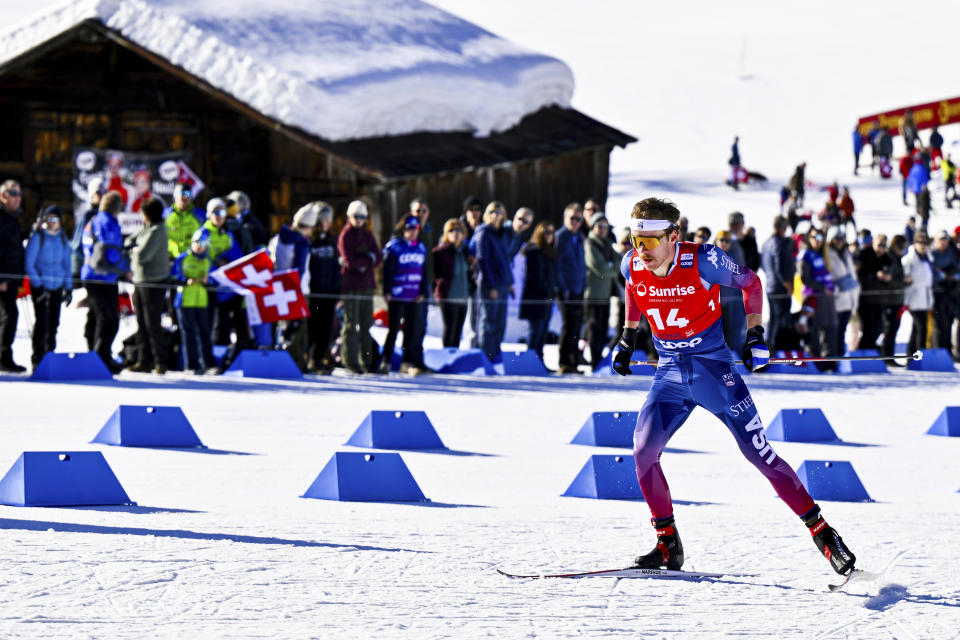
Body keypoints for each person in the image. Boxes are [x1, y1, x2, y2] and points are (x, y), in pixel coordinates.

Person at [610, 197, 855, 577]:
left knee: (759, 455)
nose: (642, 252)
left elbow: (751, 282)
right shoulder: (632, 263)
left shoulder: (703, 259)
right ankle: (667, 544)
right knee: (643, 452)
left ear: (674, 236)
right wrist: (628, 337)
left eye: (651, 242)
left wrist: (756, 334)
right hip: (671, 375)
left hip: (715, 373)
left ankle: (824, 535)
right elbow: (632, 287)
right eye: (636, 241)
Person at [24, 206, 71, 368]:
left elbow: (67, 264)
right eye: (48, 219)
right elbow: (29, 263)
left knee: (54, 322)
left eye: (54, 219)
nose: (51, 223)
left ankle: (50, 355)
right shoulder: (38, 237)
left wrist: (68, 286)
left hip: (57, 286)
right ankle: (38, 357)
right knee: (42, 322)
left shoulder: (63, 239)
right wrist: (38, 285)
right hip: (41, 286)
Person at [125, 198, 169, 373]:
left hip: (154, 282)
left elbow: (141, 255)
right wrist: (133, 248)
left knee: (152, 323)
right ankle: (144, 360)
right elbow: (129, 241)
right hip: (140, 280)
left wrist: (135, 251)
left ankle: (160, 361)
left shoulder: (157, 231)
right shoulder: (147, 228)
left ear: (148, 215)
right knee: (141, 322)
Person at [380, 216, 428, 375]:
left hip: (413, 296)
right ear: (403, 230)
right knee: (393, 329)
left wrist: (423, 292)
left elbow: (425, 272)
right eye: (408, 229)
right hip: (397, 295)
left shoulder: (421, 248)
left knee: (411, 330)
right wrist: (386, 291)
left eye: (414, 229)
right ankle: (386, 360)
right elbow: (387, 272)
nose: (411, 232)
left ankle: (407, 362)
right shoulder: (394, 247)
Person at [338, 200, 381, 374]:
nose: (359, 220)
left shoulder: (368, 235)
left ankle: (367, 361)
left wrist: (366, 260)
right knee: (350, 325)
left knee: (366, 325)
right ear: (349, 216)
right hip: (351, 286)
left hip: (367, 286)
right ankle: (349, 361)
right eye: (356, 217)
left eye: (362, 217)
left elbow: (378, 257)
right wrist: (367, 259)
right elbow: (349, 262)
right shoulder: (345, 236)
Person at [474, 201, 514, 364]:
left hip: (503, 283)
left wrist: (509, 282)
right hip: (490, 284)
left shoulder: (503, 233)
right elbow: (483, 261)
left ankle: (496, 355)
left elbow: (505, 259)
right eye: (492, 212)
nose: (496, 216)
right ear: (487, 215)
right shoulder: (483, 232)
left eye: (499, 212)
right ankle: (486, 357)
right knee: (488, 322)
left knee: (500, 322)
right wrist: (491, 285)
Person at [172, 229, 213, 374]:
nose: (199, 246)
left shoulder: (208, 260)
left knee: (205, 333)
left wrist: (208, 281)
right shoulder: (183, 258)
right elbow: (173, 276)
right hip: (184, 301)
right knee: (188, 334)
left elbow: (215, 277)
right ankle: (191, 365)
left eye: (202, 243)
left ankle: (208, 364)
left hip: (201, 301)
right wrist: (185, 281)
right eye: (196, 242)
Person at [306, 202, 340, 373]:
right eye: (323, 219)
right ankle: (310, 357)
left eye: (329, 220)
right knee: (314, 326)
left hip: (330, 292)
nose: (327, 223)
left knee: (326, 328)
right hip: (314, 292)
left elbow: (336, 267)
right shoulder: (311, 241)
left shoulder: (333, 241)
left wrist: (337, 290)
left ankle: (319, 358)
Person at [798, 227, 839, 365]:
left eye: (820, 238)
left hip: (826, 299)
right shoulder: (806, 255)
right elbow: (804, 278)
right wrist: (822, 287)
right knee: (813, 331)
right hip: (813, 298)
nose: (817, 241)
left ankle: (829, 361)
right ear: (809, 238)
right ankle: (815, 361)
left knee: (829, 329)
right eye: (814, 237)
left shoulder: (822, 254)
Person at [584, 212, 619, 368]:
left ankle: (598, 360)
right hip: (592, 294)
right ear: (593, 226)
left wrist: (611, 267)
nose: (604, 229)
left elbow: (619, 263)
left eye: (606, 226)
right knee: (594, 328)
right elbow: (600, 268)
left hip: (605, 294)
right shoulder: (590, 243)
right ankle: (593, 361)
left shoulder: (607, 244)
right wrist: (610, 267)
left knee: (603, 329)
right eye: (600, 226)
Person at [520, 222, 558, 362]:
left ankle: (539, 362)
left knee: (542, 333)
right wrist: (547, 292)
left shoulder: (550, 253)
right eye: (546, 232)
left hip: (547, 299)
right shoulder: (533, 251)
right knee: (535, 333)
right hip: (535, 299)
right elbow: (536, 278)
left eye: (552, 232)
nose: (550, 235)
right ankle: (530, 362)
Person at [555, 203, 586, 373]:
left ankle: (573, 362)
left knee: (576, 325)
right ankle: (563, 361)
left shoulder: (579, 237)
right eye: (572, 218)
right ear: (565, 218)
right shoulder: (560, 237)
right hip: (565, 289)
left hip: (578, 288)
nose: (575, 222)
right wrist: (563, 287)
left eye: (578, 219)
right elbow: (558, 265)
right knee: (568, 324)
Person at [0, 180, 26, 372]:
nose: (17, 198)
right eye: (13, 193)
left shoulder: (12, 218)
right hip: (3, 280)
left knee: (9, 316)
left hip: (12, 279)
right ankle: (3, 358)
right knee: (8, 316)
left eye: (19, 194)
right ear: (3, 195)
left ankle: (4, 357)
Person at [433, 218, 471, 348]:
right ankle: (446, 359)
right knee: (450, 331)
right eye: (451, 230)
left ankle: (455, 360)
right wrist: (437, 291)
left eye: (459, 230)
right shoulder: (440, 252)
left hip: (463, 298)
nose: (455, 233)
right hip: (448, 298)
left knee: (457, 334)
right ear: (446, 234)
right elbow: (433, 275)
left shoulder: (465, 253)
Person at [760, 217, 795, 348]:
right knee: (781, 321)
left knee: (774, 319)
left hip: (770, 286)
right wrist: (788, 285)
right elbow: (779, 268)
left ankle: (772, 347)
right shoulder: (779, 243)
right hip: (780, 288)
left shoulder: (766, 243)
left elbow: (764, 265)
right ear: (783, 228)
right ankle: (778, 349)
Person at [825, 227, 860, 354]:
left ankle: (840, 357)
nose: (839, 241)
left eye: (841, 238)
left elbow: (852, 276)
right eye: (836, 238)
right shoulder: (827, 255)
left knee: (842, 331)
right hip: (835, 300)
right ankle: (832, 357)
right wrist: (837, 288)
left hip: (848, 300)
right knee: (834, 332)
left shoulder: (846, 254)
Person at [714, 230, 747, 354]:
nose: (724, 243)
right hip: (715, 302)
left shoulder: (736, 255)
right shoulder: (709, 256)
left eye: (727, 241)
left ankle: (733, 355)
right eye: (721, 240)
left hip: (732, 302)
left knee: (732, 332)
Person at [902, 231, 934, 355]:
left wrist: (930, 300)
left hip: (924, 299)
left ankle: (912, 356)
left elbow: (928, 283)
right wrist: (906, 301)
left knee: (916, 329)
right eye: (920, 242)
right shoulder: (908, 260)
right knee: (921, 327)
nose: (923, 245)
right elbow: (905, 280)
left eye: (925, 243)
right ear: (915, 243)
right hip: (913, 299)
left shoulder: (928, 259)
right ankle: (920, 354)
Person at [877, 235, 907, 362]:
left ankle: (889, 355)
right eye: (901, 246)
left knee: (893, 329)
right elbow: (887, 280)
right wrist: (903, 282)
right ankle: (886, 356)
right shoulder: (889, 258)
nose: (902, 249)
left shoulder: (896, 258)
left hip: (896, 299)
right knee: (889, 329)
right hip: (888, 299)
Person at [930, 230, 958, 356]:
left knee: (948, 322)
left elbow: (956, 270)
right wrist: (943, 275)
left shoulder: (950, 253)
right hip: (937, 292)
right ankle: (937, 351)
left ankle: (947, 351)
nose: (943, 242)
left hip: (950, 292)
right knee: (938, 324)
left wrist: (950, 275)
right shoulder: (932, 254)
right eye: (941, 240)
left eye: (945, 240)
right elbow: (932, 273)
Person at [856, 232, 884, 351]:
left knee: (877, 327)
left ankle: (872, 350)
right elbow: (860, 276)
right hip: (864, 298)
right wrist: (874, 276)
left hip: (877, 297)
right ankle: (863, 351)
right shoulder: (860, 255)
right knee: (868, 327)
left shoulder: (878, 256)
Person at [165, 183, 202, 259]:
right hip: (169, 260)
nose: (185, 197)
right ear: (175, 196)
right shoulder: (164, 215)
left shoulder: (200, 216)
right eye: (182, 193)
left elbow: (208, 237)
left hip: (193, 260)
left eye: (188, 194)